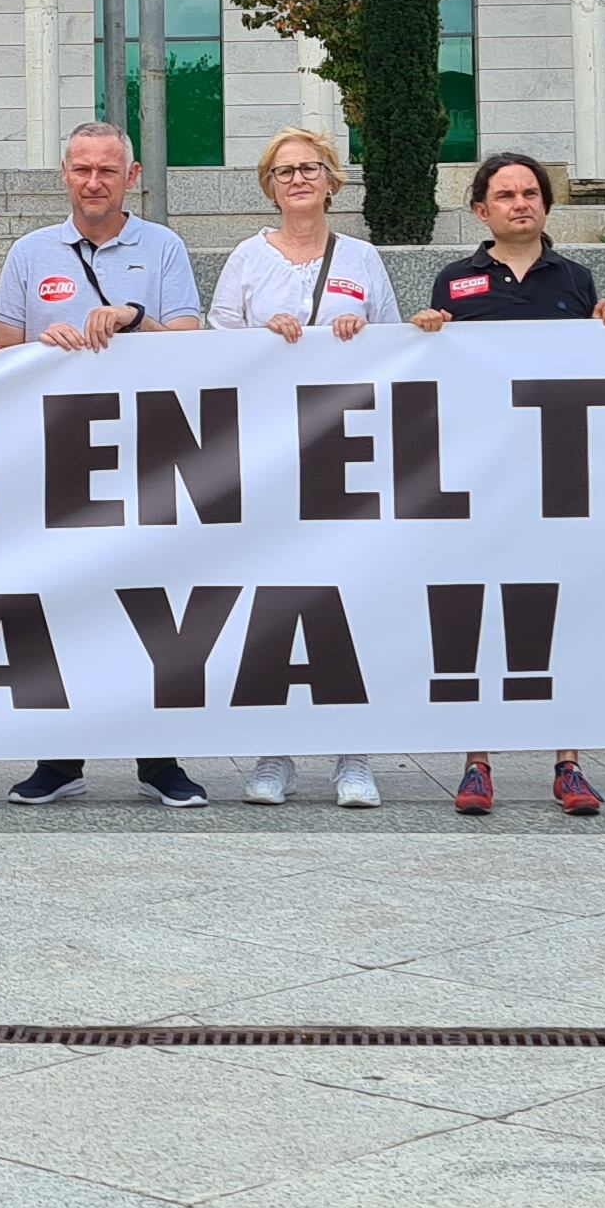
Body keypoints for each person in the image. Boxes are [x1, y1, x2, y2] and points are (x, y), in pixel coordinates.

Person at [0, 122, 210, 811]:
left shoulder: (164, 247)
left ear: (132, 175)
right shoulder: (30, 253)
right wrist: (40, 344)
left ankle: (159, 758)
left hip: (148, 452)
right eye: (83, 169)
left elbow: (191, 341)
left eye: (108, 171)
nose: (94, 182)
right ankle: (60, 758)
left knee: (152, 605)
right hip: (55, 455)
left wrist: (131, 319)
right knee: (61, 602)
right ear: (64, 174)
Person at [412, 149, 605, 820]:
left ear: (545, 205)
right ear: (482, 210)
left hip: (557, 478)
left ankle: (568, 761)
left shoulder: (577, 280)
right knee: (479, 612)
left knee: (559, 613)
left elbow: (598, 376)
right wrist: (425, 334)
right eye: (504, 195)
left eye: (530, 193)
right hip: (478, 481)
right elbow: (432, 377)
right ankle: (478, 762)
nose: (519, 204)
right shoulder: (456, 282)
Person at [211, 127, 400, 809]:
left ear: (330, 181)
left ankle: (353, 754)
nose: (298, 180)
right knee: (273, 601)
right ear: (269, 185)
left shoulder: (362, 258)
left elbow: (395, 348)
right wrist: (263, 341)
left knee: (348, 597)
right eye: (285, 171)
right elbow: (214, 348)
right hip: (267, 453)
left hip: (344, 450)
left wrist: (360, 336)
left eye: (310, 168)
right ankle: (275, 751)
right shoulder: (246, 259)